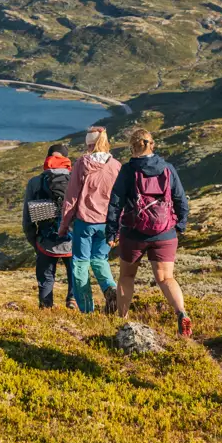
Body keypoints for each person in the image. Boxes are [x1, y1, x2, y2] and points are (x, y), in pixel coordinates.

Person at [106, 127, 192, 335]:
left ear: (132, 147)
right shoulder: (168, 168)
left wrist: (112, 232)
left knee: (127, 276)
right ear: (152, 145)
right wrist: (179, 226)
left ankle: (122, 320)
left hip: (134, 233)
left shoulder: (128, 170)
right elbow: (181, 200)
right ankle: (181, 312)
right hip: (165, 232)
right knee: (166, 278)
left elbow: (115, 203)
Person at [58, 127, 122, 314]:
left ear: (89, 144)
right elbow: (121, 198)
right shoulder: (116, 165)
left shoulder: (82, 163)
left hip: (85, 223)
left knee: (80, 263)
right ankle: (110, 288)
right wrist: (118, 226)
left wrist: (64, 225)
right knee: (100, 259)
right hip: (108, 223)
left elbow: (71, 197)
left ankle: (87, 309)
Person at [22, 143, 77, 309]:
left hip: (46, 240)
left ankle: (46, 307)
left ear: (48, 158)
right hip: (73, 240)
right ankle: (73, 300)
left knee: (46, 277)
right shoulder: (76, 180)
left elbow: (27, 219)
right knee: (75, 274)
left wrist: (34, 241)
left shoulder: (35, 182)